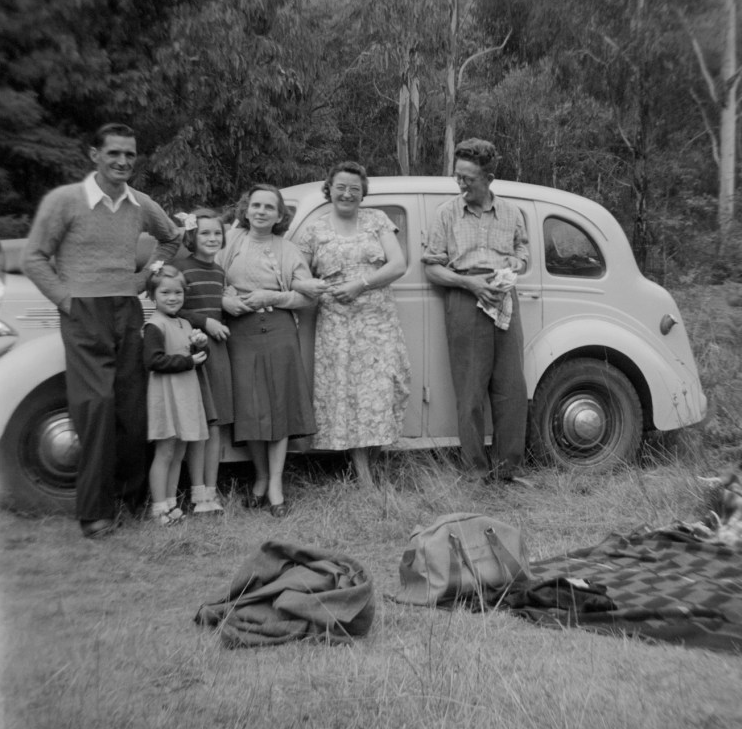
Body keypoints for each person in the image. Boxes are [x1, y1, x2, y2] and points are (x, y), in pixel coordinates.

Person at [23, 123, 183, 538]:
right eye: (114, 153)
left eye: (130, 154)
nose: (122, 162)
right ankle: (95, 513)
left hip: (127, 310)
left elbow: (171, 239)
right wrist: (66, 301)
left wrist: (145, 276)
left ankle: (129, 501)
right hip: (83, 313)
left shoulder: (140, 204)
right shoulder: (65, 201)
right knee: (95, 408)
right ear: (95, 154)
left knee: (131, 409)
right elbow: (35, 258)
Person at [422, 138, 532, 486]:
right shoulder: (446, 213)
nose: (460, 184)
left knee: (511, 390)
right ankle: (475, 472)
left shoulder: (513, 214)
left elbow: (523, 254)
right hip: (464, 299)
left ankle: (507, 471)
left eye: (468, 178)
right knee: (470, 391)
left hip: (504, 299)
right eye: (458, 177)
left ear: (489, 178)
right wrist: (470, 284)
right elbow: (431, 268)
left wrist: (512, 267)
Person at [296, 161, 411, 487]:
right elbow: (298, 273)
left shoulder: (377, 220)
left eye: (354, 189)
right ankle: (364, 477)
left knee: (383, 392)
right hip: (338, 327)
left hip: (378, 323)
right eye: (341, 187)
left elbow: (398, 264)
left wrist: (360, 283)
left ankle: (370, 463)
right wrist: (310, 285)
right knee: (349, 397)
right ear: (329, 189)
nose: (347, 193)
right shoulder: (315, 229)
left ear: (363, 193)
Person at [218, 184, 316, 517]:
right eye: (255, 205)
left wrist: (271, 297)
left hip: (279, 331)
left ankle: (275, 485)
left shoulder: (288, 250)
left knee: (278, 408)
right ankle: (259, 478)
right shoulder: (230, 243)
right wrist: (225, 302)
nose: (261, 212)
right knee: (252, 408)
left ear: (278, 216)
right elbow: (209, 282)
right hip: (239, 333)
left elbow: (307, 297)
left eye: (269, 208)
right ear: (245, 210)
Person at [174, 209, 233, 514]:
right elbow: (170, 307)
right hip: (193, 350)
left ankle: (212, 491)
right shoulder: (181, 268)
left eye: (217, 233)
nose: (212, 238)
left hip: (218, 354)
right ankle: (196, 492)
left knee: (217, 424)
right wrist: (205, 321)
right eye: (205, 233)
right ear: (192, 236)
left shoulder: (220, 272)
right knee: (198, 425)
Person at [143, 264, 210, 525]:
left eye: (178, 293)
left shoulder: (184, 322)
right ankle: (158, 507)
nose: (172, 298)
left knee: (179, 452)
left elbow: (196, 358)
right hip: (166, 395)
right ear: (152, 296)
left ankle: (171, 504)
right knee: (165, 452)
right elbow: (154, 360)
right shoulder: (154, 325)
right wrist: (188, 361)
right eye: (165, 293)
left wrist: (200, 346)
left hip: (185, 394)